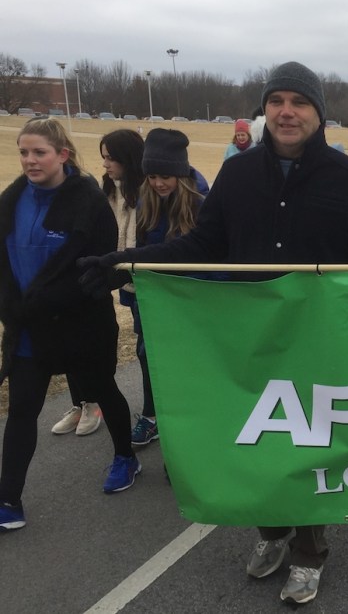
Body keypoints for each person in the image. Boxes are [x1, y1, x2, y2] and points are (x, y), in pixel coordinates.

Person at [78, 61, 348, 604]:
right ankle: (271, 531)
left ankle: (310, 551)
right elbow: (201, 246)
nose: (286, 111)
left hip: (319, 342)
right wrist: (129, 262)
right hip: (247, 338)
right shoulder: (239, 173)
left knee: (306, 445)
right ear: (265, 109)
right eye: (277, 101)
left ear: (318, 113)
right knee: (258, 440)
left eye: (299, 102)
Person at [0, 118, 141, 532]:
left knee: (102, 391)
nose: (29, 160)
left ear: (62, 154)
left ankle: (125, 457)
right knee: (23, 410)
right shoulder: (12, 199)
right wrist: (13, 308)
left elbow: (94, 271)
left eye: (39, 152)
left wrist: (48, 301)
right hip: (29, 329)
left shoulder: (88, 202)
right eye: (24, 152)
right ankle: (8, 500)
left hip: (82, 325)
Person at [52, 129, 145, 437]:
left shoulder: (143, 192)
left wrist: (114, 272)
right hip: (104, 274)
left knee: (141, 350)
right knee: (69, 341)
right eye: (103, 157)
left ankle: (142, 413)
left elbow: (137, 242)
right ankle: (81, 403)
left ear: (128, 159)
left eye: (111, 158)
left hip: (132, 279)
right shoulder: (105, 191)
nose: (105, 164)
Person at [129, 129, 207, 447]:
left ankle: (187, 433)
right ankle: (151, 416)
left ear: (180, 174)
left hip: (188, 303)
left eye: (165, 176)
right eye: (152, 176)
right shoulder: (147, 201)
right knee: (147, 357)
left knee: (186, 367)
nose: (158, 183)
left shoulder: (201, 204)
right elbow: (142, 250)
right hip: (153, 301)